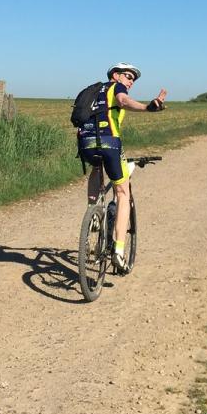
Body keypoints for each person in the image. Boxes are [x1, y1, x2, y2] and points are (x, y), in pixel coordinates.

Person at [76, 63, 167, 272]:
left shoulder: (93, 91)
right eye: (128, 76)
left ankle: (93, 213)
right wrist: (147, 107)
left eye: (133, 79)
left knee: (97, 168)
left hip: (86, 144)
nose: (131, 81)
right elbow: (123, 101)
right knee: (122, 192)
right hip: (110, 144)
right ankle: (118, 250)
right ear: (116, 75)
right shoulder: (116, 87)